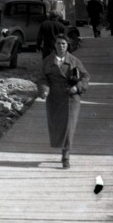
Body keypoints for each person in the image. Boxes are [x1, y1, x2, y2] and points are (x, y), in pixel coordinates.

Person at [37, 35, 89, 168]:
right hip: (54, 98)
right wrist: (44, 90)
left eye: (64, 44)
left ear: (67, 46)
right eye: (59, 43)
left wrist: (77, 87)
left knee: (69, 127)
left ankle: (66, 156)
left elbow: (85, 76)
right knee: (57, 126)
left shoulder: (74, 60)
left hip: (71, 99)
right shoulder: (48, 61)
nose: (61, 46)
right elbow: (43, 78)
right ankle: (63, 150)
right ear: (54, 45)